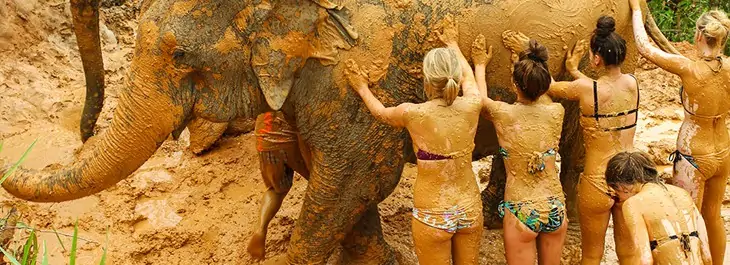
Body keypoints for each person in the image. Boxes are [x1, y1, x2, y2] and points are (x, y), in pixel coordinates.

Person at [344, 16, 484, 264]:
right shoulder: (473, 104)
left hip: (433, 214)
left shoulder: (412, 113)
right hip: (469, 209)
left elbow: (380, 112)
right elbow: (469, 78)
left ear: (426, 80)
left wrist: (362, 87)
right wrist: (453, 44)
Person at [534, 15, 640, 264]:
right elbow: (603, 88)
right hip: (630, 178)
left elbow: (547, 85)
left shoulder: (587, 90)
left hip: (597, 180)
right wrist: (574, 71)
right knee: (627, 252)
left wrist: (531, 52)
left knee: (592, 254)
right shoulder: (633, 83)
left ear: (596, 58)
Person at [630, 1, 730, 263]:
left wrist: (637, 10)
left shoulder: (688, 67)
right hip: (723, 151)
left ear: (698, 35)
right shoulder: (729, 68)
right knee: (713, 215)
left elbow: (644, 47)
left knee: (688, 218)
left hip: (694, 154)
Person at [479, 34, 567, 264]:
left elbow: (480, 99)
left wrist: (479, 65)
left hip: (522, 209)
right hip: (555, 205)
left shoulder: (504, 114)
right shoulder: (557, 111)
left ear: (514, 85)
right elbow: (542, 90)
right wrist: (528, 51)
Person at [606, 151, 712, 265]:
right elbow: (706, 256)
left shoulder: (634, 203)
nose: (619, 199)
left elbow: (645, 260)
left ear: (623, 187)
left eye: (616, 195)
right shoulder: (683, 194)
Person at [247, 111, 311, 260]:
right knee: (319, 183)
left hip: (263, 137)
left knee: (276, 189)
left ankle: (260, 229)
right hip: (291, 139)